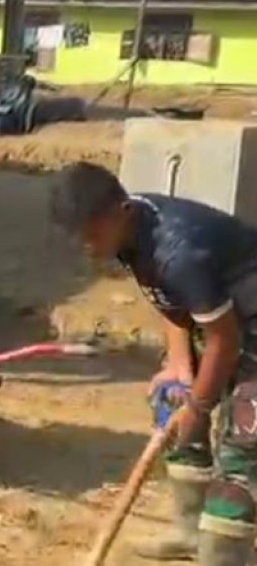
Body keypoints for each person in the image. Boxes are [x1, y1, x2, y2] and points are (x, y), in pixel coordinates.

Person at [50, 162, 257, 566]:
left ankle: (223, 554)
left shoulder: (179, 250)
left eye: (92, 234)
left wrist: (198, 410)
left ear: (120, 212)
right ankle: (189, 532)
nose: (88, 247)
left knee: (242, 442)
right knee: (170, 398)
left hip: (246, 329)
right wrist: (181, 366)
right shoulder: (131, 230)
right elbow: (166, 296)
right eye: (81, 238)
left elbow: (224, 340)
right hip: (227, 319)